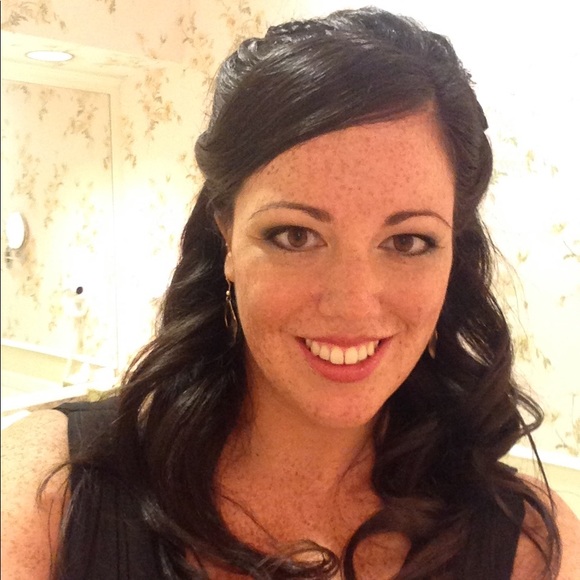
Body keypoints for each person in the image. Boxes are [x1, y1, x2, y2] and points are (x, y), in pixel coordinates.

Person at [2, 7, 579, 580]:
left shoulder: (533, 548)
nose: (352, 303)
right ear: (227, 237)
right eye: (295, 236)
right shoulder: (49, 496)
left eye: (407, 241)